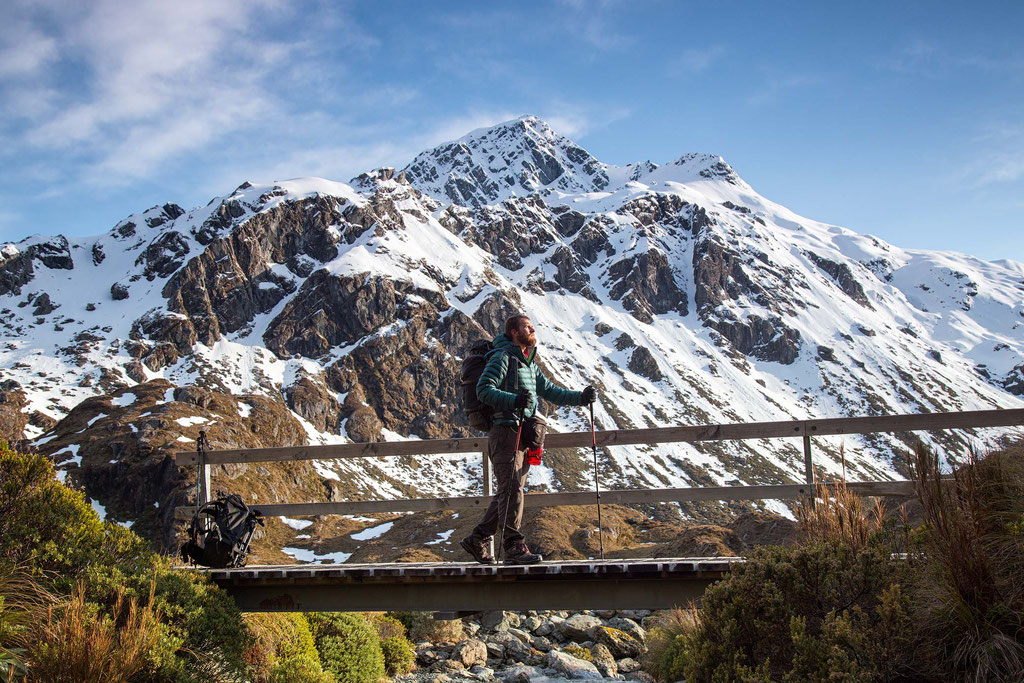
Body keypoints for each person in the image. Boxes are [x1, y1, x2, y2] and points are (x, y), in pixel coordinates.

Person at [460, 314, 596, 565]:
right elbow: (484, 389)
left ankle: (477, 538)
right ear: (513, 332)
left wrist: (581, 397)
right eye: (527, 327)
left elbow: (551, 391)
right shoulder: (503, 357)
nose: (533, 329)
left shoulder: (528, 363)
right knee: (512, 490)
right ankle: (513, 547)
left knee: (510, 490)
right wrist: (514, 401)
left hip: (522, 435)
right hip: (505, 432)